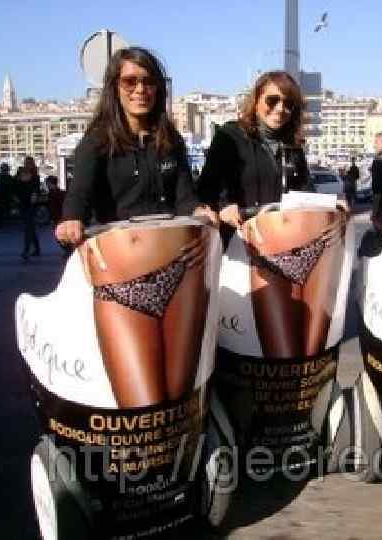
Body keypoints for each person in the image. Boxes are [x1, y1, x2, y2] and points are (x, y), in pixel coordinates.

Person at [55, 47, 216, 407]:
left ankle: (181, 443)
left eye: (148, 81)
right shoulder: (97, 142)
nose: (140, 89)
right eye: (130, 81)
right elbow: (78, 196)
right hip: (121, 280)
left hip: (180, 271)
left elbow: (185, 198)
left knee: (179, 391)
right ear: (115, 87)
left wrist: (200, 211)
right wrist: (71, 220)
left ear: (158, 88)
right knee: (140, 398)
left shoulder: (169, 140)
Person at [198, 70, 345, 358]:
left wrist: (331, 204)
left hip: (288, 248)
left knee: (295, 338)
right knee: (248, 336)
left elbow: (305, 191)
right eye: (272, 100)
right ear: (256, 101)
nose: (280, 109)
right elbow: (206, 187)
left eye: (289, 104)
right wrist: (225, 204)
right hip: (244, 248)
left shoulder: (293, 145)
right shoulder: (230, 136)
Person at [16, 156, 41, 259]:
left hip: (31, 204)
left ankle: (26, 250)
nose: (28, 165)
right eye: (27, 163)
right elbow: (16, 185)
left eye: (29, 163)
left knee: (28, 227)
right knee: (30, 227)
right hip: (23, 203)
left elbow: (36, 189)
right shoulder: (20, 173)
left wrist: (34, 197)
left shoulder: (35, 176)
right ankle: (37, 248)